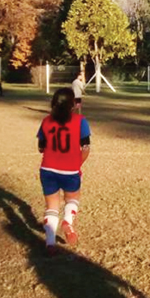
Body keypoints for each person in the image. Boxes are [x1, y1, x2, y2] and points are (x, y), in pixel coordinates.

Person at [37, 88, 91, 256]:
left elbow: (41, 147)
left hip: (47, 169)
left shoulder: (46, 121)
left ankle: (50, 243)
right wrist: (76, 164)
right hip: (70, 171)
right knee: (72, 199)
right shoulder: (80, 121)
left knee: (51, 206)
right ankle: (67, 222)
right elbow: (86, 148)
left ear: (53, 103)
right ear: (73, 105)